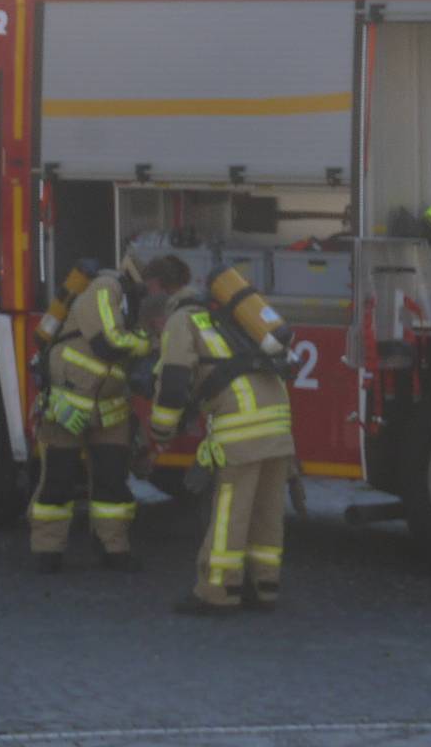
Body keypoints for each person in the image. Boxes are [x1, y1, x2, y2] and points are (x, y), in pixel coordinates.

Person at [148, 266, 296, 616]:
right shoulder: (226, 319)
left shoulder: (180, 322)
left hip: (242, 429)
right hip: (278, 423)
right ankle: (264, 586)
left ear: (159, 318)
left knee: (231, 510)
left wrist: (160, 432)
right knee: (267, 510)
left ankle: (218, 592)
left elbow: (173, 381)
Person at [29, 255, 177, 572]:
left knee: (113, 482)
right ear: (145, 280)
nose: (158, 297)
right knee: (59, 478)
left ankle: (115, 550)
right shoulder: (104, 288)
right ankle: (47, 551)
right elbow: (107, 343)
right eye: (158, 289)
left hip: (110, 409)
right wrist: (148, 343)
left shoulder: (130, 303)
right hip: (68, 403)